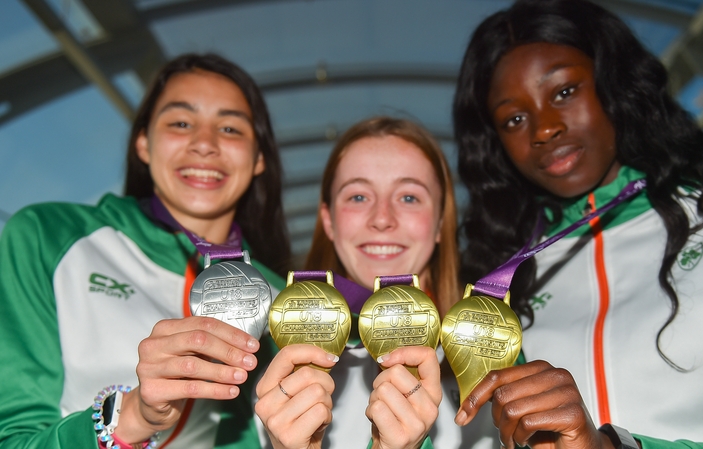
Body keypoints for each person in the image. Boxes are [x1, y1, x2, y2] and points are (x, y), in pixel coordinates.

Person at [450, 1, 703, 449]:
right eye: (514, 119)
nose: (544, 128)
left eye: (564, 92)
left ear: (614, 84)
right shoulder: (500, 277)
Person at [0, 53, 291, 449]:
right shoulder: (48, 237)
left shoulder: (287, 302)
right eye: (181, 123)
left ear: (259, 158)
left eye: (230, 128)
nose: (204, 143)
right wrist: (131, 417)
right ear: (143, 143)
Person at [253, 116, 464, 449]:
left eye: (409, 197)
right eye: (358, 197)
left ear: (441, 222)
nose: (382, 218)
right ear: (329, 221)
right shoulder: (262, 359)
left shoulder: (492, 349)